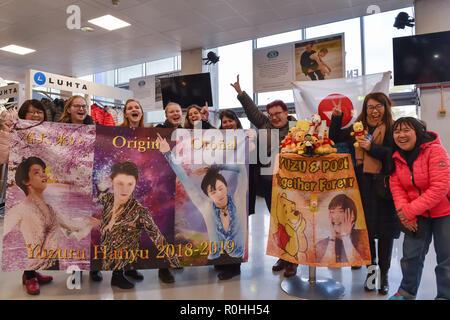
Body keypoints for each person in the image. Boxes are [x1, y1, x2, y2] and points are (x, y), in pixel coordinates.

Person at [329, 92, 400, 295]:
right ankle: (372, 274)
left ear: (385, 108)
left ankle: (384, 277)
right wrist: (336, 117)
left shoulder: (393, 129)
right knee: (366, 235)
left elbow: (394, 157)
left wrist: (372, 148)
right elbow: (335, 137)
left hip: (385, 189)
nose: (374, 110)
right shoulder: (358, 128)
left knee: (385, 234)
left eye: (378, 106)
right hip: (363, 188)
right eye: (370, 107)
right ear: (365, 109)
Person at [230, 75, 299, 277]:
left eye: (278, 113)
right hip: (270, 185)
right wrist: (241, 93)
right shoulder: (265, 126)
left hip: (291, 185)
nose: (275, 117)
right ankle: (283, 256)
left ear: (286, 112)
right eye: (271, 114)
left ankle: (293, 261)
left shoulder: (297, 129)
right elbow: (252, 112)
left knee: (291, 222)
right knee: (277, 222)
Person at [156, 133, 248, 280]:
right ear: (207, 194)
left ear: (225, 186)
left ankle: (233, 269)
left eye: (220, 188)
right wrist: (167, 153)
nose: (218, 194)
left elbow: (241, 169)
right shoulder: (207, 207)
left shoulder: (238, 199)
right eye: (213, 191)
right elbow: (185, 179)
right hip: (213, 258)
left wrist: (215, 167)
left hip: (236, 257)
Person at [3, 157, 97, 295]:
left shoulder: (51, 208)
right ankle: (29, 276)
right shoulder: (19, 209)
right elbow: (5, 230)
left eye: (43, 171)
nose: (43, 174)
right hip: (34, 260)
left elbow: (69, 224)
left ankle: (32, 274)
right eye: (36, 172)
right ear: (26, 181)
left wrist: (88, 221)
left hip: (52, 259)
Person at [389, 117, 450, 300]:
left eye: (406, 130)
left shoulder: (435, 151)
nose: (401, 135)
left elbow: (440, 187)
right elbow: (397, 187)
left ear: (417, 132)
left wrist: (408, 211)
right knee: (410, 256)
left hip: (445, 213)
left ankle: (444, 296)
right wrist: (405, 213)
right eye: (397, 131)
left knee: (446, 259)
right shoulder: (396, 157)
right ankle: (406, 292)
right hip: (416, 214)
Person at [96, 161, 180, 289]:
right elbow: (101, 195)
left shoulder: (139, 212)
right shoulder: (107, 199)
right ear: (111, 181)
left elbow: (157, 238)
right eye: (120, 183)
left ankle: (121, 273)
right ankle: (125, 271)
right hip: (106, 256)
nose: (125, 189)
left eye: (130, 184)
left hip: (125, 256)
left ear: (135, 183)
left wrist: (174, 259)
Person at [1, 101, 54, 295]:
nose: (35, 115)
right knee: (28, 230)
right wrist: (7, 133)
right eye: (31, 112)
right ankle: (29, 274)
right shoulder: (13, 131)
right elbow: (3, 156)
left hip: (39, 188)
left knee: (40, 229)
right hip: (21, 188)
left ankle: (32, 270)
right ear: (23, 114)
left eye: (39, 112)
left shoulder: (49, 133)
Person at [316, 194, 370, 264]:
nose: (335, 217)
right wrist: (332, 238)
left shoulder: (363, 237)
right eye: (332, 212)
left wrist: (345, 236)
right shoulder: (321, 245)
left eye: (340, 212)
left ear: (352, 215)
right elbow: (328, 264)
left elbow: (357, 262)